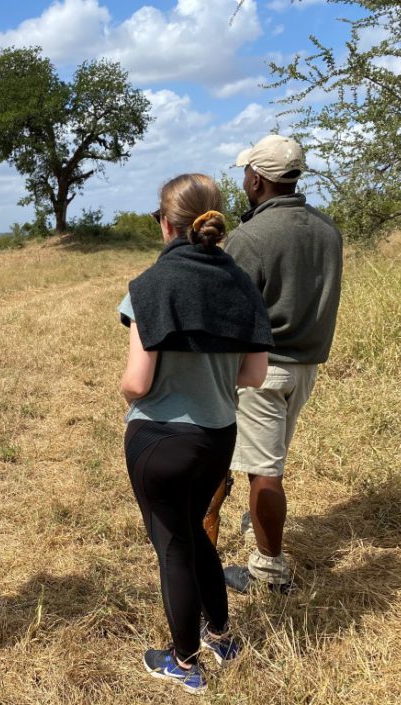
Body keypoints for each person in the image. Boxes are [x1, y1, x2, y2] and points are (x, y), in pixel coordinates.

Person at [119, 173, 272, 694]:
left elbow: (137, 383)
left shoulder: (148, 286)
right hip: (218, 435)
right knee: (195, 533)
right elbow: (253, 377)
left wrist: (126, 392)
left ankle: (183, 662)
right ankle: (222, 634)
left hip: (158, 439)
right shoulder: (242, 287)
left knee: (174, 546)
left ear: (165, 223)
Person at [222, 135, 343, 593]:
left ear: (257, 178)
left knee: (264, 472)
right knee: (270, 464)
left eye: (246, 173)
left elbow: (226, 310)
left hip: (262, 369)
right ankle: (260, 530)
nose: (244, 181)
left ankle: (269, 571)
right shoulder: (326, 228)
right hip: (306, 366)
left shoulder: (250, 237)